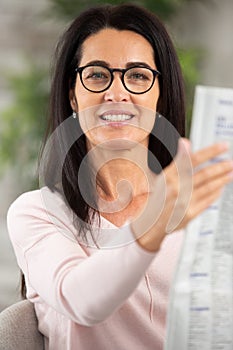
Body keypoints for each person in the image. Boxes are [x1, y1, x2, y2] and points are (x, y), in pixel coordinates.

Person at [7, 4, 233, 350]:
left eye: (138, 76)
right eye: (97, 75)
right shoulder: (38, 212)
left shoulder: (206, 204)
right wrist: (154, 223)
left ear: (159, 96)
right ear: (73, 94)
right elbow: (82, 302)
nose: (116, 92)